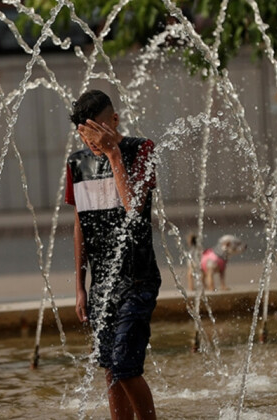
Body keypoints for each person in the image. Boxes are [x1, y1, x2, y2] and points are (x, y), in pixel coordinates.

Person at [66, 90, 160, 420]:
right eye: (83, 135)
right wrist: (79, 285)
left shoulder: (141, 150)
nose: (92, 142)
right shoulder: (77, 164)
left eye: (97, 132)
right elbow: (80, 222)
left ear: (114, 121)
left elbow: (134, 208)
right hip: (101, 285)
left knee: (125, 365)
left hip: (137, 279)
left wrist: (114, 155)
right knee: (109, 366)